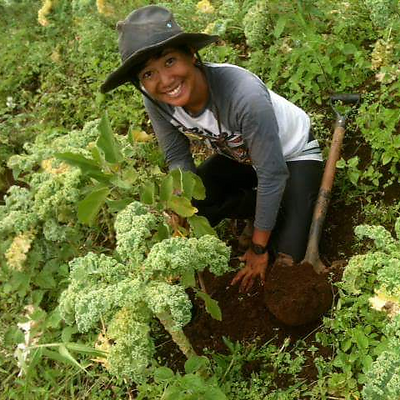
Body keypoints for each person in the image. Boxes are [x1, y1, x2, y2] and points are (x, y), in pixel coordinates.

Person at [101, 5, 323, 292]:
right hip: (240, 158)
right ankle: (262, 210)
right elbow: (177, 156)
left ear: (191, 55)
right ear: (140, 83)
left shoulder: (243, 96)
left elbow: (273, 174)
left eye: (170, 61)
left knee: (286, 257)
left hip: (291, 156)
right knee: (196, 207)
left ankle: (273, 216)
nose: (165, 81)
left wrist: (258, 249)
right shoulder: (156, 100)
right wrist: (178, 201)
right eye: (148, 74)